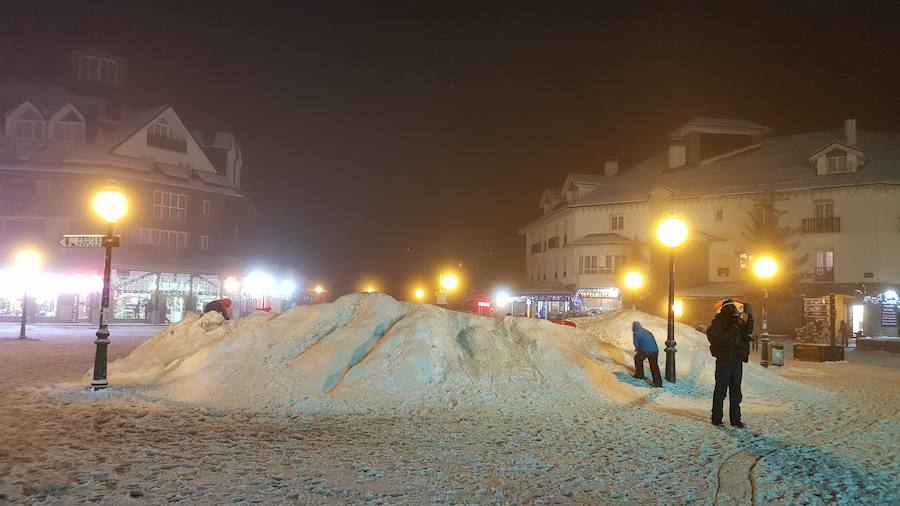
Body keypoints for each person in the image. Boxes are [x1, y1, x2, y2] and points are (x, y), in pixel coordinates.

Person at [707, 299, 753, 428]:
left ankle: (735, 419)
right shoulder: (718, 322)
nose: (734, 311)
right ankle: (716, 418)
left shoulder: (736, 322)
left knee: (736, 392)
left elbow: (747, 331)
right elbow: (721, 338)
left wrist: (750, 317)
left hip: (737, 361)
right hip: (724, 361)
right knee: (721, 391)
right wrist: (734, 327)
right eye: (732, 308)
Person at [632, 321, 662, 387]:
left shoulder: (636, 333)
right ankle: (658, 383)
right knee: (654, 366)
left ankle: (640, 374)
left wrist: (638, 349)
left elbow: (636, 344)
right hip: (655, 350)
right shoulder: (647, 331)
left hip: (645, 350)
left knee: (637, 359)